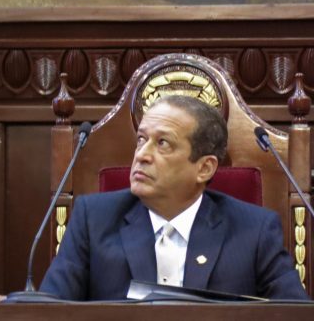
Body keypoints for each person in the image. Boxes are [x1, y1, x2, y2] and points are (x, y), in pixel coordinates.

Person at [39, 95, 309, 300]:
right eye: (141, 140)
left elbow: (295, 315)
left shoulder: (254, 231)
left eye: (162, 144)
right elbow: (49, 311)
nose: (142, 155)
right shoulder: (94, 220)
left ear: (204, 168)